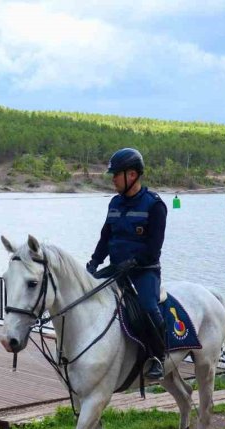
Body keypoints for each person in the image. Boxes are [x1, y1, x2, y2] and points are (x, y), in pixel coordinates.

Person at [86, 148, 168, 380]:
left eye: (116, 174)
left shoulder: (155, 206)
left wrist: (133, 263)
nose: (112, 179)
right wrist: (94, 263)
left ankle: (157, 357)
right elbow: (105, 238)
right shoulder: (114, 203)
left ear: (131, 175)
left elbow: (153, 250)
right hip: (116, 269)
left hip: (144, 272)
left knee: (148, 307)